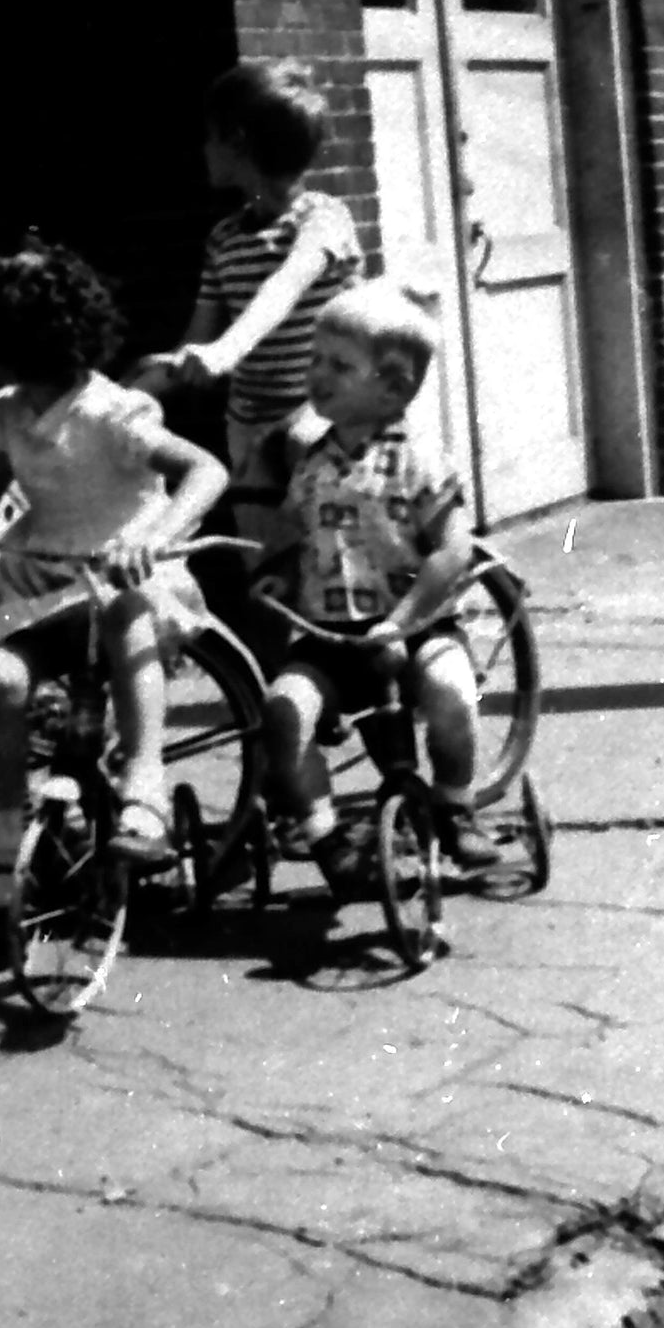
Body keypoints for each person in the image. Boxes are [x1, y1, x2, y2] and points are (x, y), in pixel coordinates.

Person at [0, 244, 228, 930]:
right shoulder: (10, 408)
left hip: (124, 573)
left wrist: (152, 537)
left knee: (125, 616)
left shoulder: (111, 411)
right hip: (44, 580)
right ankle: (2, 852)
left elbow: (205, 471)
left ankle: (144, 785)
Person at [254, 278, 500, 898]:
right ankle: (326, 837)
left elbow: (453, 550)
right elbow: (293, 538)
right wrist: (275, 576)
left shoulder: (418, 460)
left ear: (393, 386)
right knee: (285, 708)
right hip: (328, 636)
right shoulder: (311, 461)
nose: (318, 375)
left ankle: (453, 806)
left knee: (450, 695)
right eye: (315, 360)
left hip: (414, 628)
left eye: (339, 365)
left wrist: (409, 618)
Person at [136, 60, 364, 536]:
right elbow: (195, 340)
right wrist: (120, 396)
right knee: (264, 563)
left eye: (210, 136)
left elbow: (284, 287)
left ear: (236, 143)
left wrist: (226, 352)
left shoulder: (322, 219)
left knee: (332, 551)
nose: (203, 149)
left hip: (322, 413)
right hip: (250, 425)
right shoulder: (225, 239)